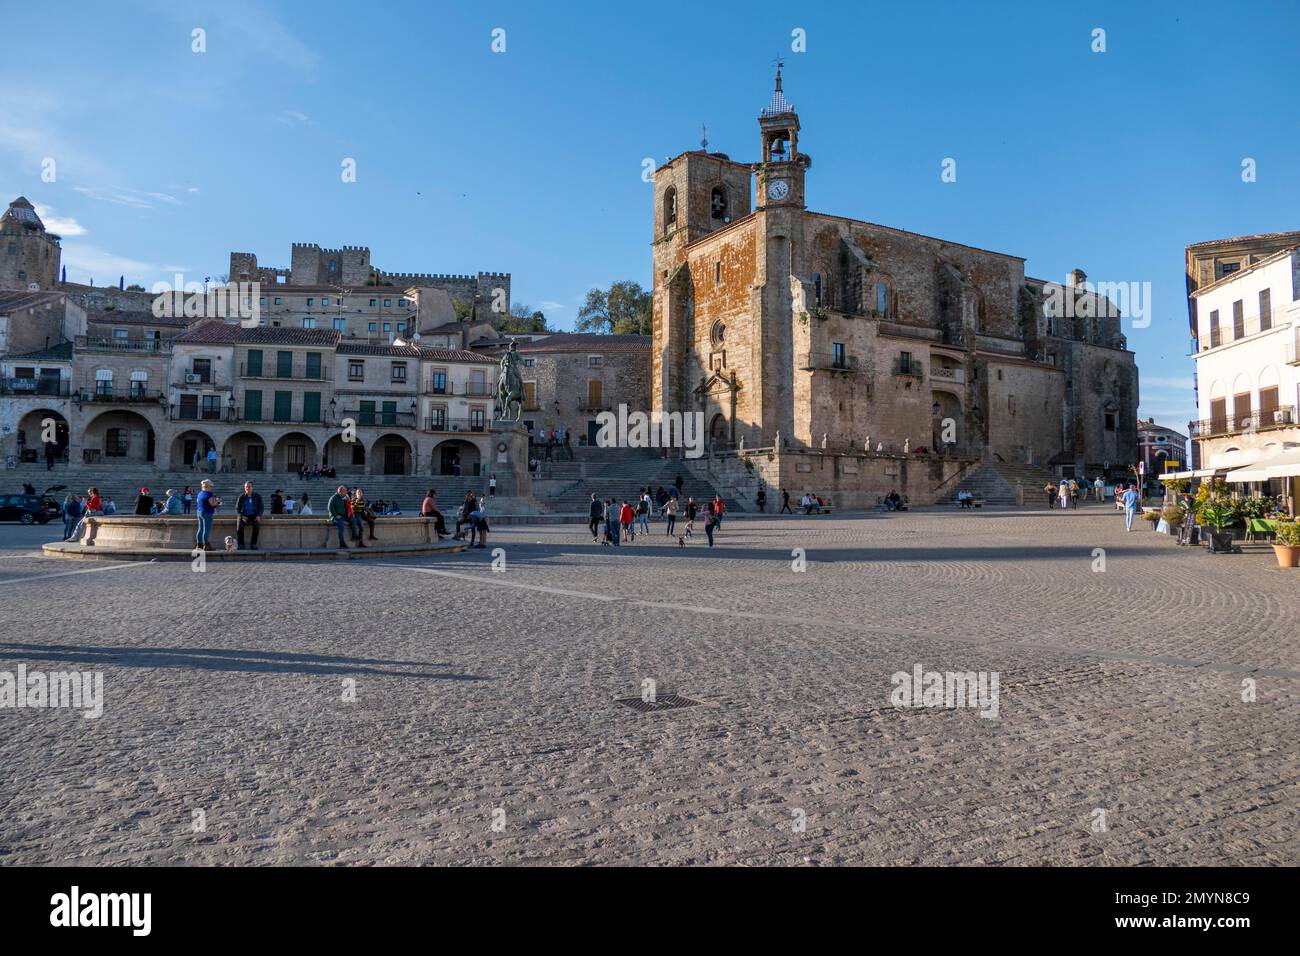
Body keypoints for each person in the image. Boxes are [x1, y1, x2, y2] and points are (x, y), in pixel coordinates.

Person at [234, 481, 264, 550]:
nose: (247, 488)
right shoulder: (241, 497)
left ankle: (253, 544)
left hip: (254, 515)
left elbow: (261, 507)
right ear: (244, 488)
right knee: (239, 527)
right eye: (246, 487)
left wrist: (259, 515)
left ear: (252, 488)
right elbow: (237, 508)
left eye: (249, 486)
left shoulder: (257, 496)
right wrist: (241, 515)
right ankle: (241, 544)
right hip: (244, 515)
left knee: (257, 526)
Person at [196, 479, 219, 551]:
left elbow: (198, 501)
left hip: (199, 512)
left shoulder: (200, 493)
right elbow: (212, 504)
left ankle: (199, 544)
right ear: (208, 486)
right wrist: (218, 501)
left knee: (200, 529)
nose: (212, 488)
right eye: (211, 486)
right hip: (207, 513)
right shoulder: (209, 494)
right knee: (206, 530)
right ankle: (206, 545)